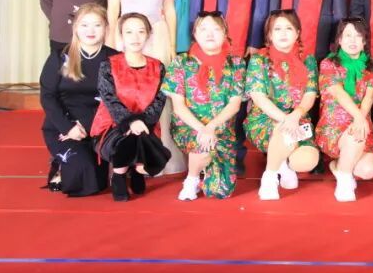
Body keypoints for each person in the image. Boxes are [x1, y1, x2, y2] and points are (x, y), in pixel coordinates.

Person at [101, 0, 182, 173]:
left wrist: (172, 46)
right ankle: (125, 152)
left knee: (158, 93)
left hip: (157, 37)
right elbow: (113, 12)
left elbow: (170, 12)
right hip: (126, 37)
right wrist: (111, 45)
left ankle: (155, 153)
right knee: (125, 92)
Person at [165, 12, 246, 200]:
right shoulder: (181, 62)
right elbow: (178, 107)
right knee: (201, 146)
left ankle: (208, 168)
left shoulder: (236, 64)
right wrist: (202, 129)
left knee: (221, 191)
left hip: (220, 130)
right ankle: (192, 179)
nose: (210, 34)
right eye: (203, 29)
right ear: (195, 33)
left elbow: (234, 105)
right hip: (189, 127)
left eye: (216, 29)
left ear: (225, 33)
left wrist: (211, 127)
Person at [38, 3, 117, 195]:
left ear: (106, 28)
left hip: (100, 126)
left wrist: (89, 126)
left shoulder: (115, 59)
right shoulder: (59, 57)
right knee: (82, 173)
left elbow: (116, 100)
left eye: (97, 25)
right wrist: (68, 128)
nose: (91, 31)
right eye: (84, 25)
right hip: (64, 126)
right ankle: (59, 165)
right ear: (75, 28)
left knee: (98, 181)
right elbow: (47, 97)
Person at [92, 13, 170, 201]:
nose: (135, 37)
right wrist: (130, 122)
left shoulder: (158, 67)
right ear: (121, 35)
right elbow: (110, 99)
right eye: (129, 32)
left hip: (147, 125)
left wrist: (141, 122)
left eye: (141, 32)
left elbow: (159, 101)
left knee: (140, 136)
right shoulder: (108, 65)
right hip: (113, 125)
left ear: (148, 34)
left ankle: (137, 170)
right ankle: (119, 175)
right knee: (128, 138)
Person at [245, 10, 321, 200]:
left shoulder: (308, 60)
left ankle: (284, 164)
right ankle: (270, 177)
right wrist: (286, 120)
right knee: (282, 130)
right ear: (270, 35)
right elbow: (258, 97)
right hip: (264, 119)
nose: (283, 33)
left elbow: (310, 94)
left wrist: (296, 115)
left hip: (298, 118)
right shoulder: (259, 59)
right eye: (277, 29)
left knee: (307, 160)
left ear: (297, 33)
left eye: (289, 28)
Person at [317, 17, 373, 202]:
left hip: (361, 124)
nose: (353, 40)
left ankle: (338, 166)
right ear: (339, 39)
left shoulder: (371, 66)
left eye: (358, 36)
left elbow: (369, 96)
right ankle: (344, 180)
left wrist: (361, 118)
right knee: (355, 135)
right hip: (334, 126)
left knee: (368, 170)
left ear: (365, 41)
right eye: (348, 35)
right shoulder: (329, 63)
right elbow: (338, 92)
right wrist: (358, 118)